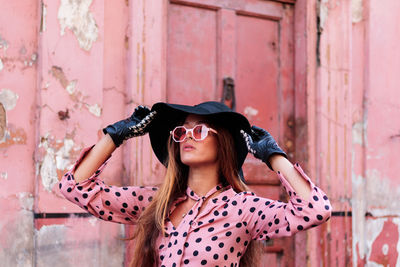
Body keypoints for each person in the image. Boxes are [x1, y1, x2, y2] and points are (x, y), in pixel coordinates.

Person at [59, 101, 332, 267]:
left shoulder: (243, 209)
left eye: (199, 130)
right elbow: (75, 187)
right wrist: (116, 135)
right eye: (181, 131)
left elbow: (314, 210)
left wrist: (274, 156)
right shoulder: (157, 203)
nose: (188, 137)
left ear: (222, 141)